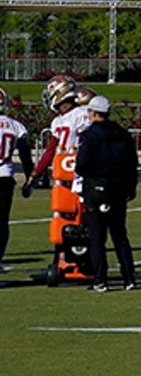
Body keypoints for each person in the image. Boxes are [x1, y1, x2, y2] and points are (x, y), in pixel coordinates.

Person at [29, 78, 94, 283]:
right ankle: (59, 261)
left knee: (82, 219)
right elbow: (52, 148)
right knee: (61, 220)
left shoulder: (82, 115)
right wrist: (36, 172)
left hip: (80, 175)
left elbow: (89, 142)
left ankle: (84, 261)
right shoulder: (58, 121)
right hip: (62, 176)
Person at [73, 95, 140, 292]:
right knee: (120, 236)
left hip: (96, 187)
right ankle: (129, 278)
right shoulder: (122, 133)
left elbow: (82, 164)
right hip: (119, 187)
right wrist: (130, 187)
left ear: (93, 112)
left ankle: (100, 280)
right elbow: (132, 163)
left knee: (97, 237)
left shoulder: (90, 135)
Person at [0, 95, 27, 271]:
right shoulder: (15, 125)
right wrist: (31, 177)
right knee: (2, 222)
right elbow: (25, 153)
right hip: (4, 176)